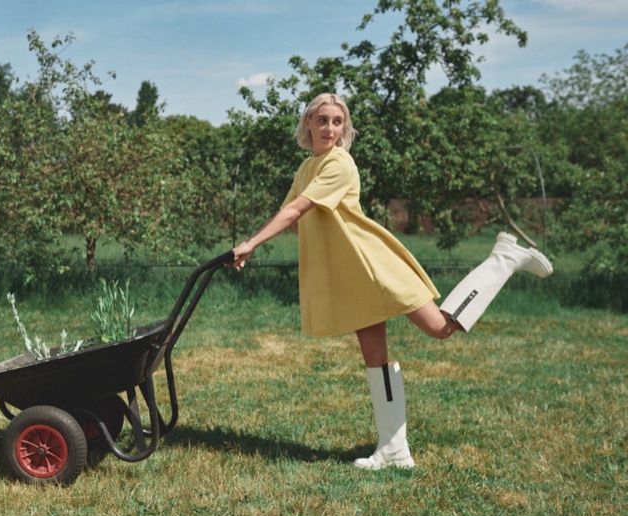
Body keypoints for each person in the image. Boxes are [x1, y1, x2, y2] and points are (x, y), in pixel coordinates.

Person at [231, 93, 553, 470]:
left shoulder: (339, 164)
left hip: (374, 264)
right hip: (351, 274)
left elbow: (299, 209)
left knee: (440, 328)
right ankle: (394, 449)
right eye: (323, 120)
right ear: (308, 123)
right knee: (375, 358)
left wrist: (251, 242)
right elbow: (288, 208)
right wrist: (253, 242)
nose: (330, 128)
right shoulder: (307, 167)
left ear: (343, 127)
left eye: (337, 121)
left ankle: (503, 260)